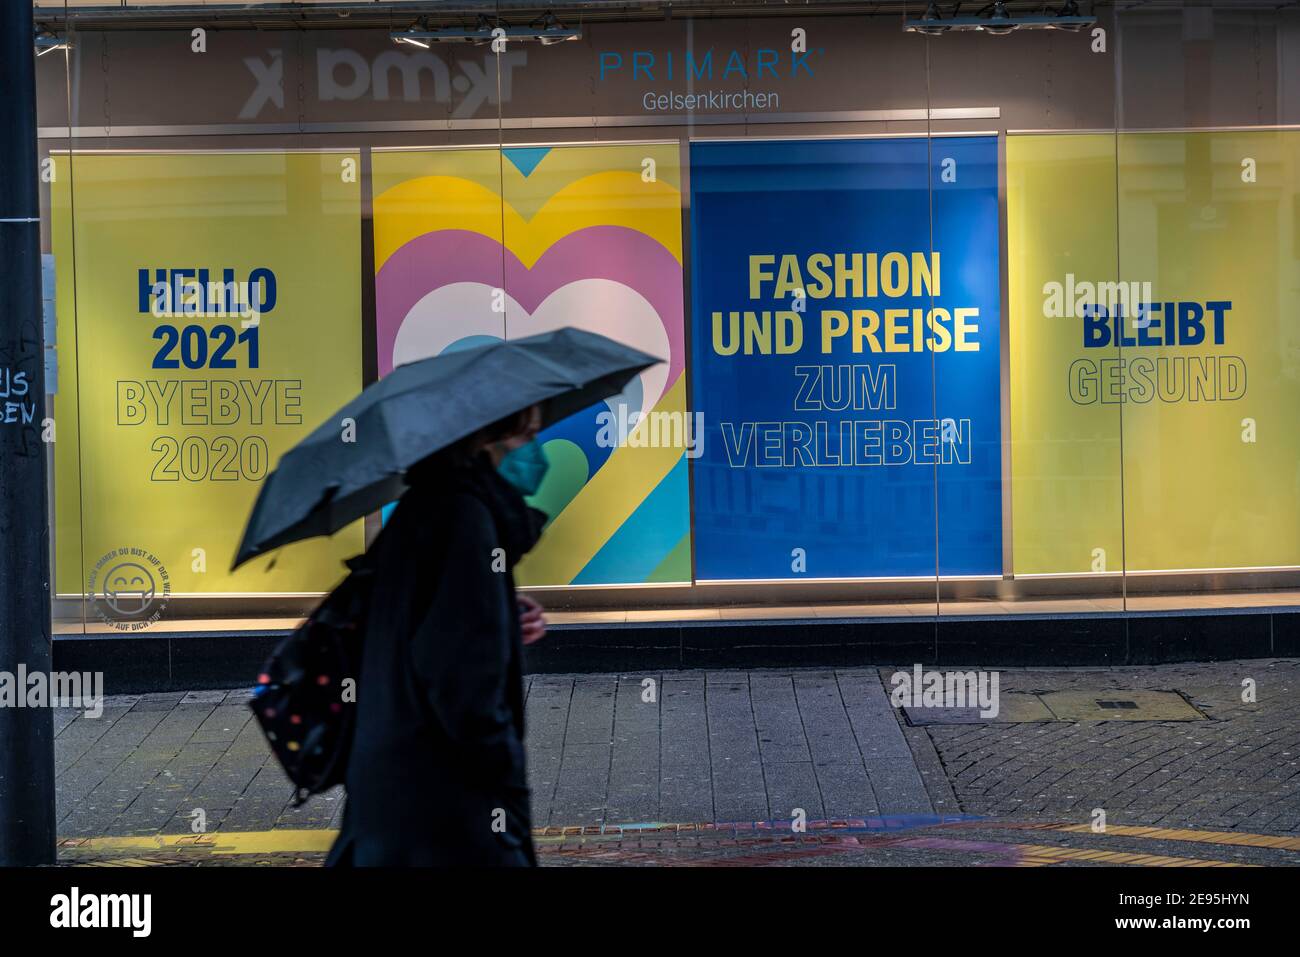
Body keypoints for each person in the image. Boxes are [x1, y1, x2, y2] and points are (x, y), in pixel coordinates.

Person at [326, 405, 550, 867]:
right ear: (489, 441)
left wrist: (497, 614)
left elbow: (419, 621)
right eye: (526, 435)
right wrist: (502, 777)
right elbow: (461, 684)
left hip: (395, 796)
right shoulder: (468, 517)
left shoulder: (429, 503)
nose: (536, 451)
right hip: (442, 807)